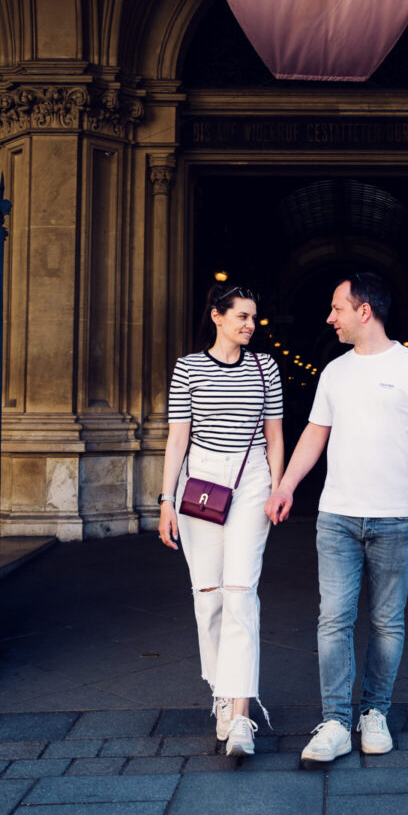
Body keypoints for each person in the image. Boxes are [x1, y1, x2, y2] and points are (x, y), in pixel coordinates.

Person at [266, 272, 408, 766]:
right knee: (333, 620)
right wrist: (285, 486)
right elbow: (315, 434)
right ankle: (334, 722)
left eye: (337, 308)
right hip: (337, 517)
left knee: (387, 622)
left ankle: (374, 713)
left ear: (364, 311)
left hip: (397, 516)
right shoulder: (334, 371)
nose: (331, 317)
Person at [158, 282, 284, 757]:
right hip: (201, 480)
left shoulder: (264, 367)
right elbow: (177, 438)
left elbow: (275, 435)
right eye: (242, 316)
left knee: (241, 593)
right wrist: (165, 500)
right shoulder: (188, 368)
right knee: (208, 597)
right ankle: (223, 697)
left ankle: (242, 715)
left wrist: (278, 487)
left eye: (254, 317)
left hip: (251, 479)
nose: (250, 325)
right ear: (217, 316)